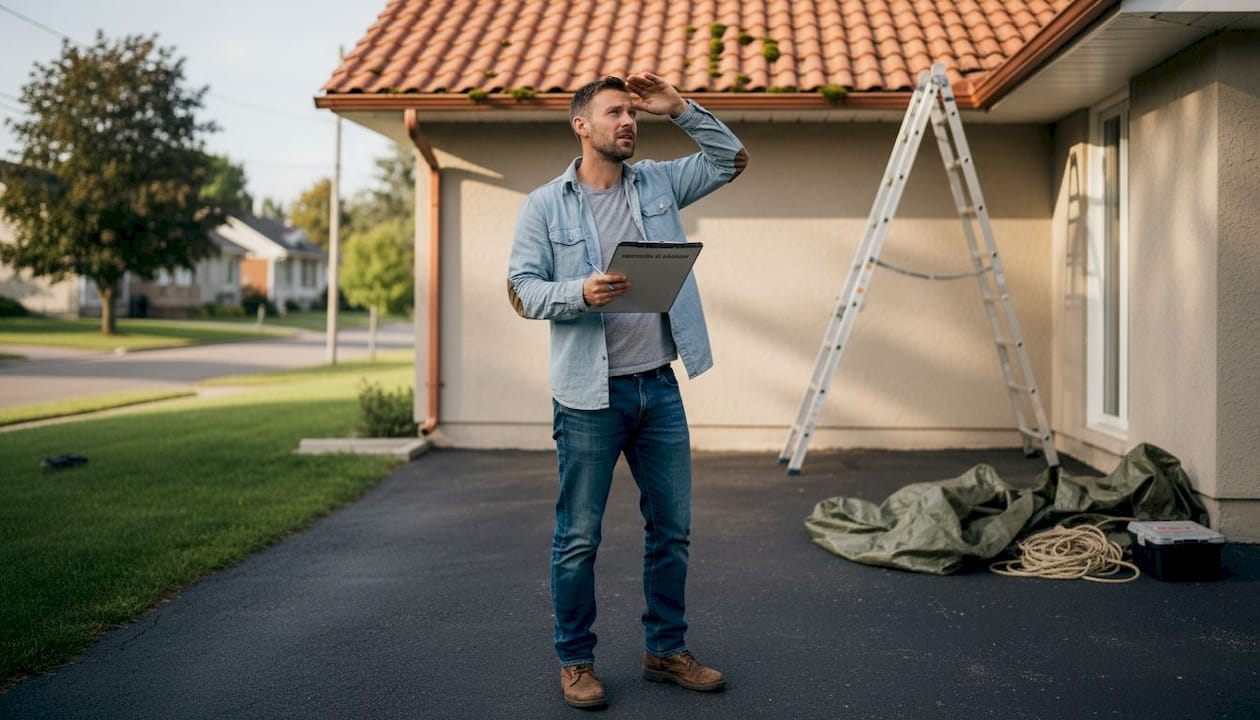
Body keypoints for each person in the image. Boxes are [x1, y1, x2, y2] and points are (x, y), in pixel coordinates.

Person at [507, 72, 747, 709]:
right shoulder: (545, 205)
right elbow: (521, 289)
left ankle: (666, 650)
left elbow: (731, 159)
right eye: (615, 113)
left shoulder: (660, 183)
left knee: (672, 529)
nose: (628, 122)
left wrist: (681, 109)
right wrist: (576, 293)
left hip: (658, 388)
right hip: (588, 397)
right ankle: (576, 661)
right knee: (578, 536)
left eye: (633, 114)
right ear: (581, 125)